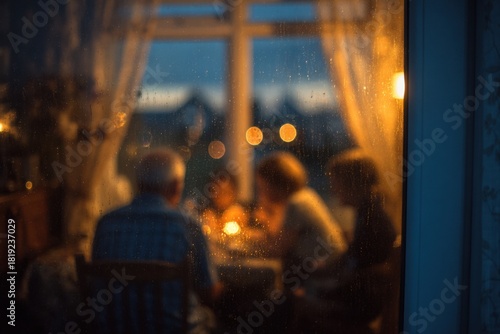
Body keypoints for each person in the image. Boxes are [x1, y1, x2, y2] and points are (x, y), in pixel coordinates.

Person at [92, 148, 221, 334]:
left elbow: (98, 284)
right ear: (176, 186)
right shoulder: (187, 226)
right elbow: (208, 292)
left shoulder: (106, 223)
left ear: (138, 183)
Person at [294, 149, 398, 334]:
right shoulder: (369, 212)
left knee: (294, 306)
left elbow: (359, 272)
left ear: (354, 184)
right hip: (360, 296)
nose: (333, 189)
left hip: (359, 305)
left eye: (336, 183)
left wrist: (320, 285)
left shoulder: (371, 219)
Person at [255, 151, 347, 332]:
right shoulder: (305, 196)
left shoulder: (297, 203)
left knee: (260, 296)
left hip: (325, 280)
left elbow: (277, 249)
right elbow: (280, 239)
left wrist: (264, 219)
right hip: (331, 272)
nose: (261, 190)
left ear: (275, 182)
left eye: (262, 185)